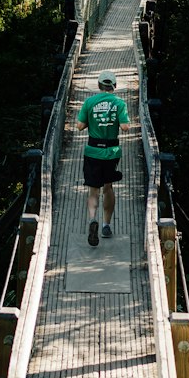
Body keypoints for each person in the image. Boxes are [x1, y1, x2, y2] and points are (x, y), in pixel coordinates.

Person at [76, 70, 129, 246]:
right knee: (108, 187)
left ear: (99, 86)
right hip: (111, 152)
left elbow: (80, 126)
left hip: (92, 150)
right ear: (114, 86)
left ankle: (92, 219)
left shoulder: (89, 102)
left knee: (93, 190)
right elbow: (125, 127)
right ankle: (106, 225)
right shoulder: (119, 103)